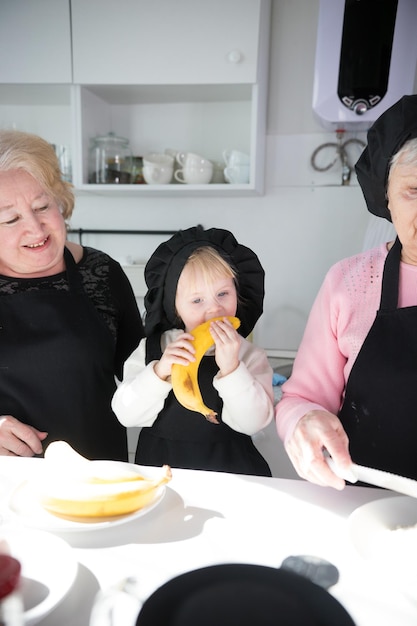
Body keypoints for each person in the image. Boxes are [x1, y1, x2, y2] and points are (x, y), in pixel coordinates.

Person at [275, 94, 417, 489]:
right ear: (386, 195)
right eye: (414, 191)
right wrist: (302, 421)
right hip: (364, 509)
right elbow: (300, 399)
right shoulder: (349, 282)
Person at [0, 129, 144, 460]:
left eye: (42, 206)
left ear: (60, 200)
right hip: (8, 488)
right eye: (11, 219)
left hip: (100, 481)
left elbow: (145, 377)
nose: (36, 229)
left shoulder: (102, 273)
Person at [112, 225, 274, 476]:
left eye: (223, 294)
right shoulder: (152, 350)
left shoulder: (247, 355)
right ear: (173, 306)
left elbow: (253, 423)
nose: (214, 310)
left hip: (233, 476)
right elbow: (126, 415)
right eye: (197, 300)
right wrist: (158, 372)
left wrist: (232, 369)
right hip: (162, 473)